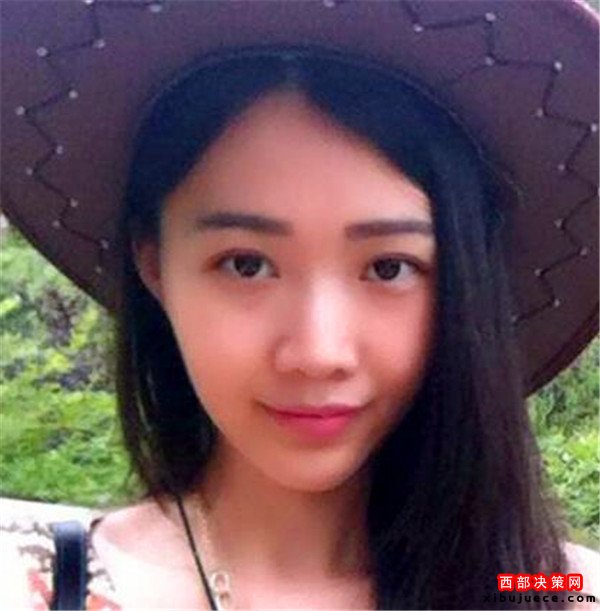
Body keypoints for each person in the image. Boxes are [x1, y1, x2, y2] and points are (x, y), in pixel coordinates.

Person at [0, 1, 598, 609]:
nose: (318, 353)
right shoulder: (43, 587)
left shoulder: (555, 589)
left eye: (389, 268)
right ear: (154, 267)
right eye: (246, 264)